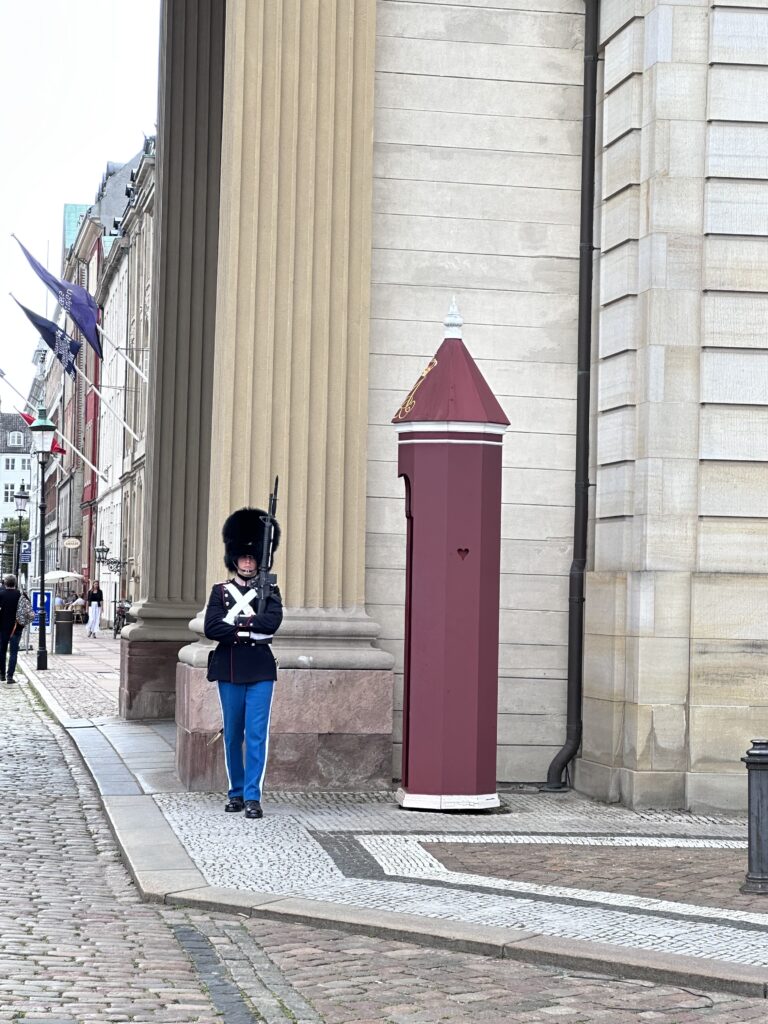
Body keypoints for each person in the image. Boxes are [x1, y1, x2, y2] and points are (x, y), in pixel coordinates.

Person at [204, 507, 282, 820]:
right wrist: (250, 629)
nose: (248, 562)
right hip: (230, 668)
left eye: (252, 558)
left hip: (261, 670)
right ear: (235, 559)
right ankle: (235, 792)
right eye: (243, 558)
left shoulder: (270, 591)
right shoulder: (220, 591)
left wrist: (237, 626)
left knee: (257, 735)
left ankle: (253, 796)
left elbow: (272, 622)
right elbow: (212, 628)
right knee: (234, 734)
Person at [0, 574, 22, 684]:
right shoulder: (19, 595)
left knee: (2, 651)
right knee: (13, 653)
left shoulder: (1, 594)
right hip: (16, 628)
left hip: (2, 627)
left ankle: (2, 675)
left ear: (5, 583)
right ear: (15, 583)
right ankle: (10, 676)